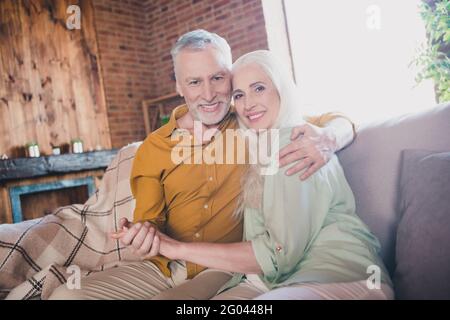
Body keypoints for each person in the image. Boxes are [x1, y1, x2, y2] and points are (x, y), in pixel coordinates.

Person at [49, 30, 355, 300]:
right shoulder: (153, 148)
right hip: (164, 267)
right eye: (195, 82)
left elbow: (329, 121)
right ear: (180, 87)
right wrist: (143, 235)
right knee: (66, 295)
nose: (208, 94)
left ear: (230, 77)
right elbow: (150, 225)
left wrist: (329, 137)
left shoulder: (253, 121)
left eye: (217, 78)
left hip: (225, 266)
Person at [152, 50, 393, 300]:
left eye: (258, 88)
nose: (248, 104)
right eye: (239, 95)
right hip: (280, 280)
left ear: (281, 90)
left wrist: (175, 248)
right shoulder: (258, 142)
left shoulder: (293, 143)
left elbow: (277, 256)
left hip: (340, 277)